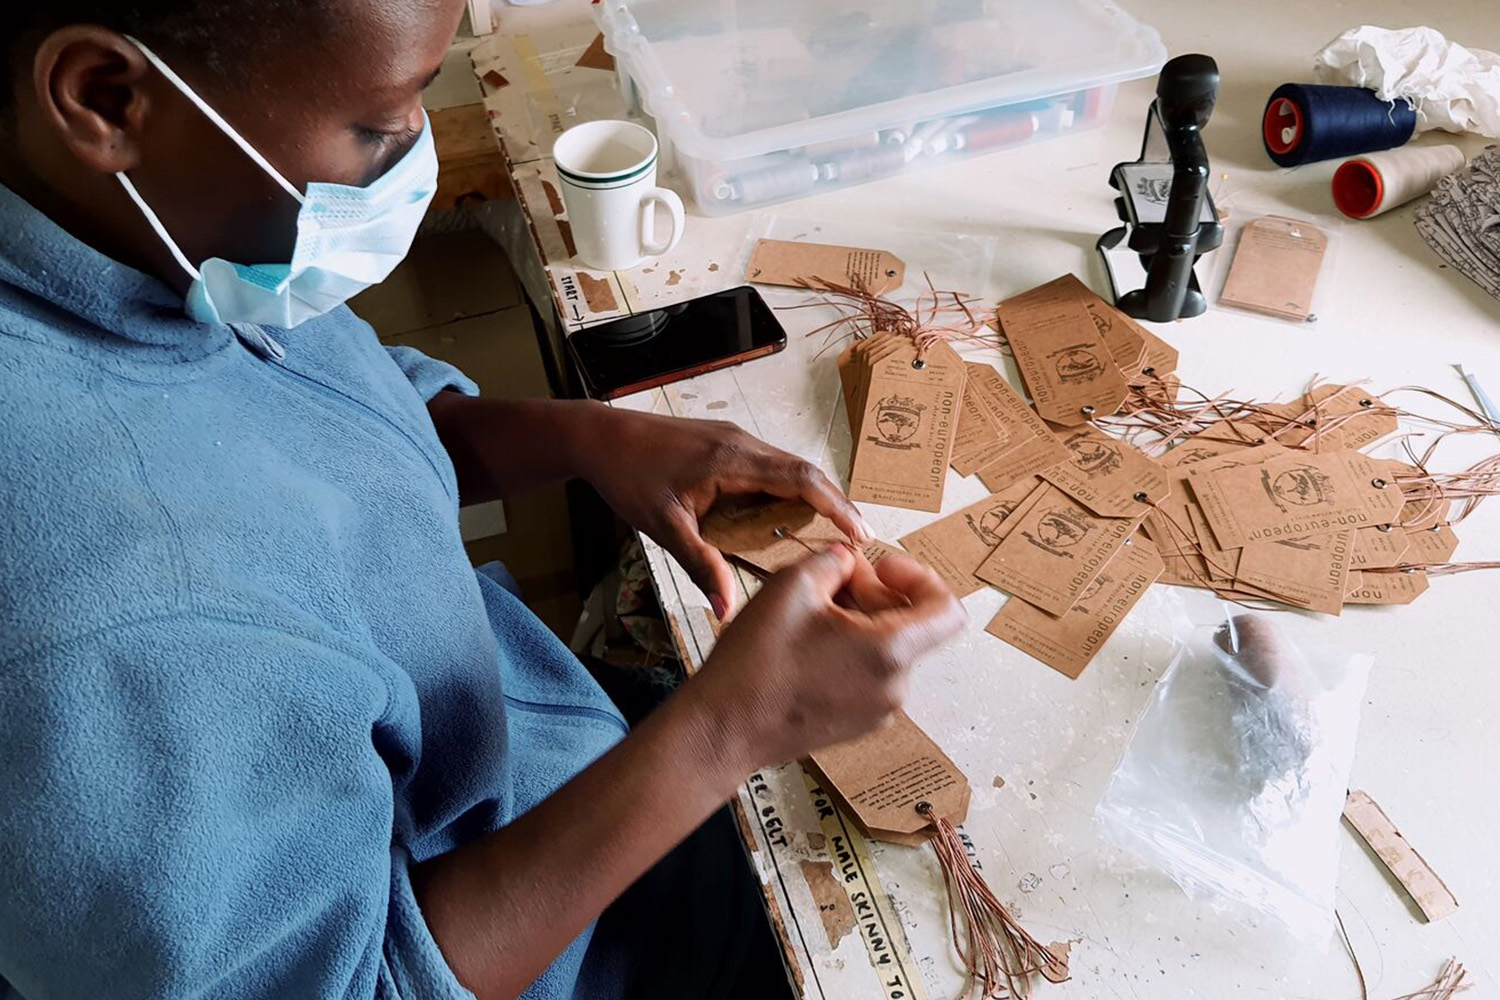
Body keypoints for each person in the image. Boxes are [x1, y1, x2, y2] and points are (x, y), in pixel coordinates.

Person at [0, 2, 967, 999]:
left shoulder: (174, 251)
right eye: (378, 125)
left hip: (556, 753)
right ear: (103, 97)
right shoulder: (99, 624)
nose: (411, 153)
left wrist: (593, 439)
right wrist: (730, 730)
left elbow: (325, 427)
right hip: (583, 951)